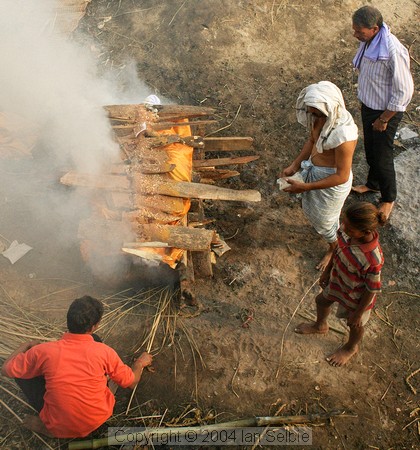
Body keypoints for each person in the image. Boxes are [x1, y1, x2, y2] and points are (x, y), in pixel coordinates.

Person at [1, 295, 153, 438]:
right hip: (96, 418)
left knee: (21, 372)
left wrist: (26, 345)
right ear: (94, 326)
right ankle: (107, 390)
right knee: (95, 341)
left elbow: (6, 369)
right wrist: (139, 363)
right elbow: (132, 382)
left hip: (59, 425)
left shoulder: (44, 351)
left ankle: (46, 427)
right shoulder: (104, 352)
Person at [295, 202, 386, 366]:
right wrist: (327, 270)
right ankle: (320, 325)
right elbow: (337, 249)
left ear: (366, 232)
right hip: (338, 281)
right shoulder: (346, 233)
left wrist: (358, 313)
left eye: (350, 229)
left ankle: (351, 347)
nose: (343, 228)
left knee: (354, 324)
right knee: (321, 301)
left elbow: (371, 289)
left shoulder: (373, 259)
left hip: (357, 298)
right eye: (343, 223)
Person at [281, 81, 358, 271]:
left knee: (325, 222)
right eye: (312, 113)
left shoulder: (344, 135)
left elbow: (341, 176)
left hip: (331, 185)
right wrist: (294, 165)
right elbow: (311, 141)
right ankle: (332, 235)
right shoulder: (318, 118)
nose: (315, 118)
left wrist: (305, 187)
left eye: (318, 114)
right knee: (320, 217)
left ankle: (334, 248)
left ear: (331, 108)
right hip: (315, 175)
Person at [351, 6, 414, 220]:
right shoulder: (370, 42)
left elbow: (404, 91)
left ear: (375, 28)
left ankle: (388, 198)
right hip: (370, 106)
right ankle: (373, 184)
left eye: (359, 31)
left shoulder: (392, 51)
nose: (355, 35)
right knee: (371, 150)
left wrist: (384, 119)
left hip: (384, 112)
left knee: (383, 156)